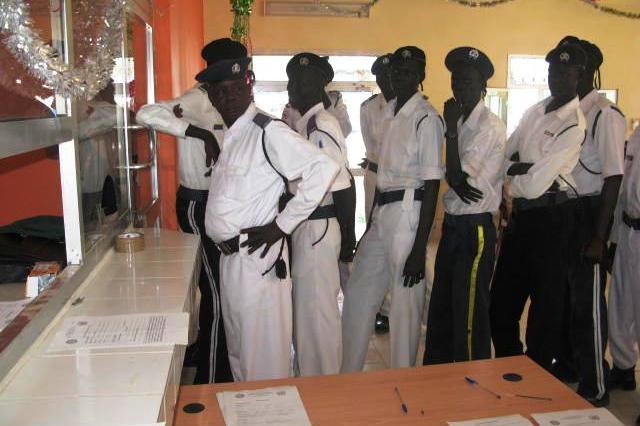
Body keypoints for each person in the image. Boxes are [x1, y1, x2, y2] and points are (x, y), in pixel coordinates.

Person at [199, 53, 339, 382]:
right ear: (212, 97)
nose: (230, 97)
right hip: (231, 261)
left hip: (258, 262)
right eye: (221, 91)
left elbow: (324, 168)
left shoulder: (267, 130)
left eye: (237, 88)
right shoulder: (233, 135)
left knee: (263, 366)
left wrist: (281, 225)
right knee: (240, 357)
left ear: (249, 88)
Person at [135, 38, 243, 384]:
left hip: (220, 202)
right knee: (216, 292)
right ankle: (211, 378)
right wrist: (198, 133)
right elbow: (146, 113)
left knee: (218, 287)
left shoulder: (229, 101)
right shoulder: (197, 99)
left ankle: (209, 355)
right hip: (198, 204)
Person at [341, 46, 443, 372]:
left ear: (420, 76)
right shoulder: (388, 113)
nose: (400, 77)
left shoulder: (426, 118)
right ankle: (348, 374)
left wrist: (419, 249)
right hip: (382, 211)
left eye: (408, 72)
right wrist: (369, 224)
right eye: (396, 71)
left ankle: (404, 378)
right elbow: (382, 176)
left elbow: (432, 185)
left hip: (408, 213)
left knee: (405, 305)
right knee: (358, 291)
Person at [490, 43, 587, 374]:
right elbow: (503, 157)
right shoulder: (535, 111)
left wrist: (514, 176)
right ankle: (512, 369)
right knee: (500, 305)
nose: (556, 78)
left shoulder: (573, 124)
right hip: (520, 219)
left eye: (565, 73)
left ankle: (537, 380)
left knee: (544, 313)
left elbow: (533, 185)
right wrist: (519, 169)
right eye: (552, 72)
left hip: (552, 220)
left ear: (579, 77)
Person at [551, 37, 626, 407]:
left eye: (572, 69)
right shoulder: (566, 112)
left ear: (587, 72)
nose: (564, 76)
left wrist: (599, 236)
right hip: (564, 210)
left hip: (589, 213)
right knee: (566, 300)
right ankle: (569, 365)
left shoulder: (604, 115)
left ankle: (595, 383)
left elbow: (613, 177)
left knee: (588, 305)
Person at [424, 47, 505, 364]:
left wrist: (452, 131)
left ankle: (472, 378)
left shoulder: (488, 125)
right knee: (443, 307)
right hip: (454, 225)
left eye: (468, 82)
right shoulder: (461, 119)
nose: (460, 88)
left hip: (475, 228)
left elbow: (457, 177)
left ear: (483, 85)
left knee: (470, 312)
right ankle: (440, 376)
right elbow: (455, 181)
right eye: (456, 81)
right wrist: (456, 181)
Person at [286, 52, 356, 376]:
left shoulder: (321, 125)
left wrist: (348, 239)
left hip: (318, 229)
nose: (294, 87)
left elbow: (343, 185)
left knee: (318, 319)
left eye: (303, 82)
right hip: (308, 229)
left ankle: (326, 390)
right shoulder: (303, 125)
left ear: (319, 87)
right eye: (292, 81)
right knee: (307, 318)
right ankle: (310, 383)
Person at [360, 53, 395, 334]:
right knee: (374, 237)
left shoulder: (412, 107)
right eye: (380, 77)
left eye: (388, 75)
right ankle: (379, 307)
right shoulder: (368, 107)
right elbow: (370, 145)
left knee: (398, 243)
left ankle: (393, 307)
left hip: (399, 182)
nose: (384, 81)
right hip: (374, 177)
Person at [608, 126, 640, 394]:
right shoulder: (636, 136)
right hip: (628, 230)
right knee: (619, 305)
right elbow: (622, 190)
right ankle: (623, 369)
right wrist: (614, 238)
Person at [282, 56, 352, 138]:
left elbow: (345, 130)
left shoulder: (334, 99)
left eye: (307, 81)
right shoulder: (292, 105)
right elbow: (285, 135)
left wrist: (326, 110)